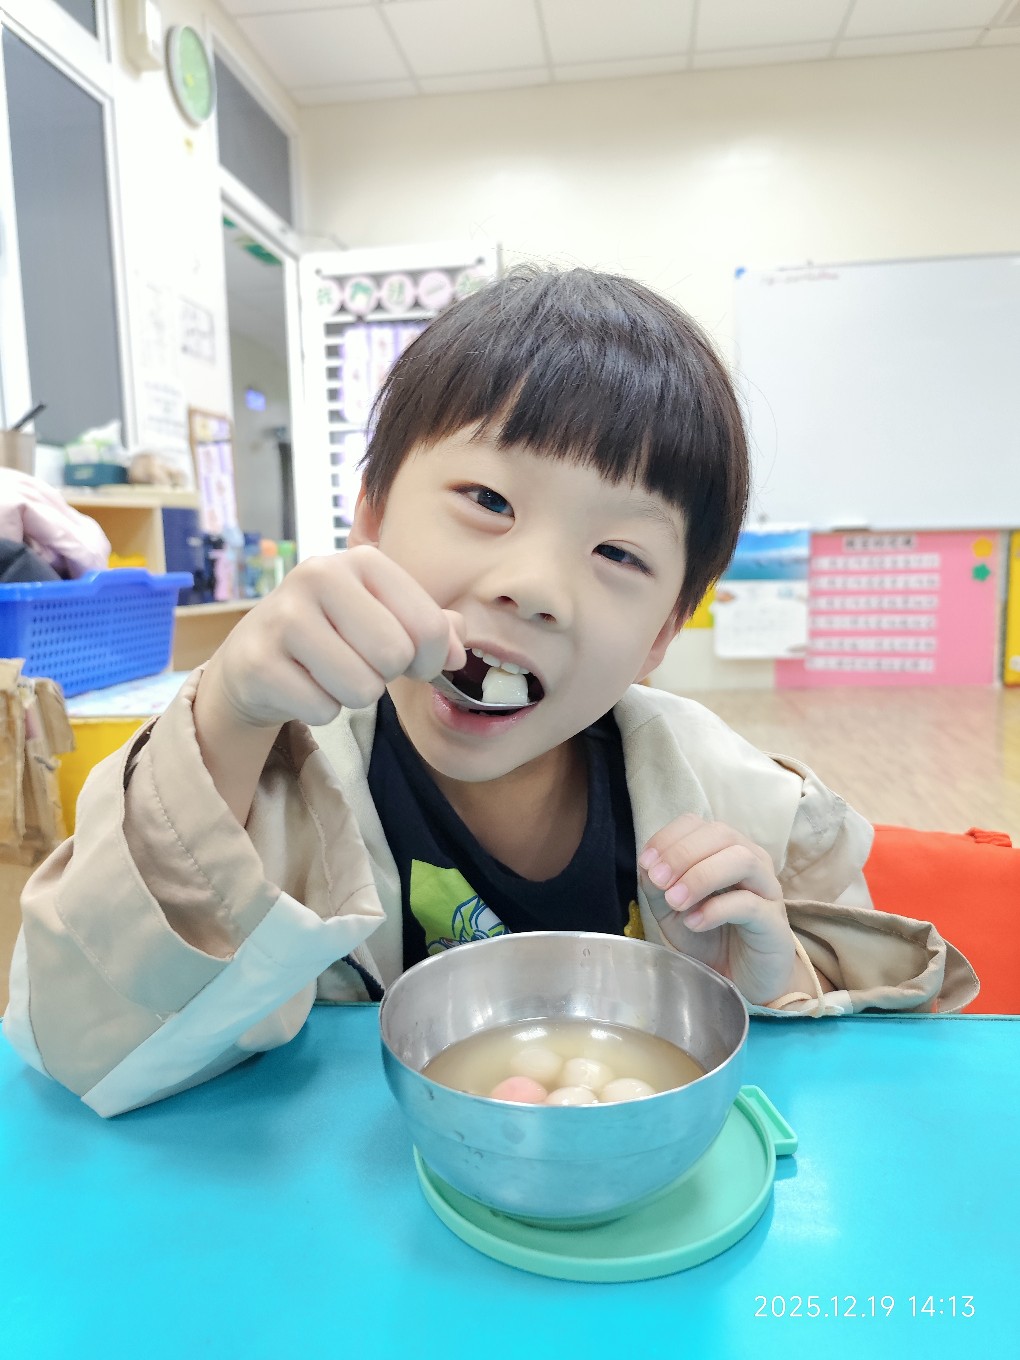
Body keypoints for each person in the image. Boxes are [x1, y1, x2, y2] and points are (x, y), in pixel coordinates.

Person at [4, 267, 977, 1116]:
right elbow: (76, 1044)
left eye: (618, 552)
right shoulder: (261, 783)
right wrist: (226, 717)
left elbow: (882, 1078)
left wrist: (770, 991)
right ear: (372, 518)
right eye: (488, 501)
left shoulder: (751, 811)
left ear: (661, 634)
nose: (535, 585)